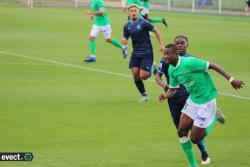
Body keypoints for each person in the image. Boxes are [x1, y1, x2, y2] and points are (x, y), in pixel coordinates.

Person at [159, 43, 244, 167]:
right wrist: (165, 96)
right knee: (181, 131)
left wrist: (231, 80)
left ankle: (214, 117)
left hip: (206, 101)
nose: (165, 56)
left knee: (195, 139)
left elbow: (212, 65)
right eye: (164, 54)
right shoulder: (171, 69)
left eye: (168, 54)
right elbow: (173, 89)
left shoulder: (190, 62)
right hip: (193, 100)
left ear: (176, 54)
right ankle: (193, 165)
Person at [154, 35, 214, 165]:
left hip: (190, 97)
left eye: (182, 43)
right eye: (177, 43)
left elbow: (204, 73)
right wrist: (163, 85)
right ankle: (192, 161)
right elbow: (157, 75)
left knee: (194, 128)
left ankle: (204, 154)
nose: (180, 45)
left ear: (187, 45)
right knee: (180, 130)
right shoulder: (166, 58)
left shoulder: (192, 60)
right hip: (173, 98)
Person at [121, 4, 165, 102]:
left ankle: (153, 67)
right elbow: (126, 37)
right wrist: (124, 40)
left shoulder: (144, 23)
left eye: (135, 10)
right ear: (128, 12)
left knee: (143, 76)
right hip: (136, 53)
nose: (133, 12)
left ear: (138, 12)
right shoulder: (126, 25)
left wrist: (161, 45)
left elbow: (156, 30)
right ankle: (144, 95)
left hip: (146, 52)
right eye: (131, 11)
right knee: (135, 74)